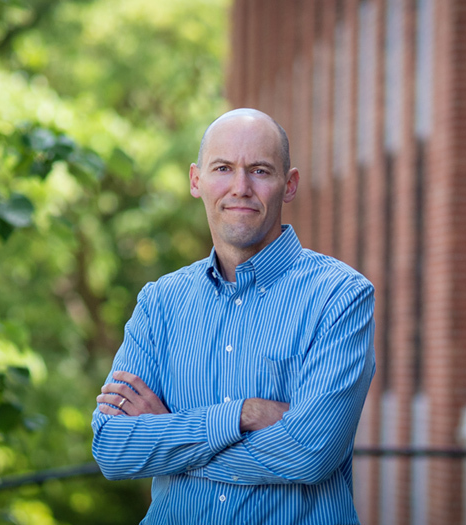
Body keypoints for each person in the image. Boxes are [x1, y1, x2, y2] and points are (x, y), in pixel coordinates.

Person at [91, 108, 375, 524]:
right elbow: (113, 449)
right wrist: (241, 414)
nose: (240, 187)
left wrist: (171, 441)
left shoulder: (339, 297)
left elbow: (310, 454)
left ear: (289, 184)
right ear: (196, 180)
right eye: (223, 168)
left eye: (260, 170)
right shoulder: (160, 303)